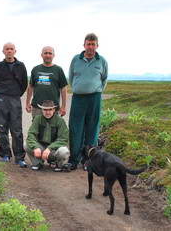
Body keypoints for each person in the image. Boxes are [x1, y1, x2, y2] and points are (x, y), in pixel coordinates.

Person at [64, 33, 108, 171]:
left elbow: (104, 79)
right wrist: (79, 88)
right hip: (78, 98)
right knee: (76, 128)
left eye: (93, 44)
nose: (90, 46)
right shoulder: (76, 59)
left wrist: (97, 90)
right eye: (88, 44)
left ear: (97, 45)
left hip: (94, 98)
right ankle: (73, 160)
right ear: (84, 45)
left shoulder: (102, 61)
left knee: (92, 129)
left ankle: (88, 161)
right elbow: (71, 78)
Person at [0, 42, 28, 168]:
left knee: (16, 129)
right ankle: (5, 154)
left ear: (15, 51)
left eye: (11, 49)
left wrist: (15, 94)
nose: (9, 51)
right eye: (7, 49)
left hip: (15, 99)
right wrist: (0, 94)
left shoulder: (20, 66)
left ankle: (19, 157)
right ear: (3, 51)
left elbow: (24, 84)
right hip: (1, 98)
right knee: (2, 128)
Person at [24, 100, 70, 172]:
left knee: (64, 151)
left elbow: (63, 139)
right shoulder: (37, 119)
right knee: (26, 144)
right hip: (41, 148)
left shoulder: (60, 121)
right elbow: (31, 134)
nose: (47, 112)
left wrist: (49, 148)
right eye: (45, 110)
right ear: (42, 110)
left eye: (50, 109)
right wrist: (35, 147)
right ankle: (38, 163)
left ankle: (59, 164)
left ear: (54, 110)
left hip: (54, 150)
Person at [26, 46, 68, 119]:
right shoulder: (35, 69)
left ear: (53, 55)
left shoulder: (58, 70)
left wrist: (63, 106)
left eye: (50, 53)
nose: (48, 55)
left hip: (53, 108)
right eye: (45, 53)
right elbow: (30, 87)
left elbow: (63, 88)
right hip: (37, 107)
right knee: (37, 129)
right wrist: (27, 103)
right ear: (41, 55)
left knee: (53, 129)